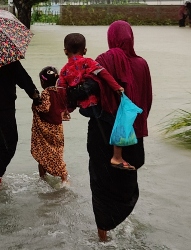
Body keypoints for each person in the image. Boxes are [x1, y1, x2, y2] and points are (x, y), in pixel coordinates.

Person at [90, 20, 153, 242]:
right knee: (125, 184)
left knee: (100, 184)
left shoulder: (102, 61)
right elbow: (146, 99)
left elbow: (90, 100)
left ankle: (102, 237)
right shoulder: (142, 64)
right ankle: (123, 228)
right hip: (133, 134)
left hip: (102, 133)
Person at [58, 33, 132, 171]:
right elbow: (104, 74)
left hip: (84, 109)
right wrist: (117, 87)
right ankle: (117, 156)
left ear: (65, 51)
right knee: (116, 122)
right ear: (85, 50)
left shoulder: (63, 71)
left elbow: (62, 91)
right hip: (97, 106)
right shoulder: (88, 62)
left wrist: (65, 110)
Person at [30, 66, 70, 185]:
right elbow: (64, 108)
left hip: (46, 129)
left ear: (42, 82)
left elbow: (44, 108)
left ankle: (43, 178)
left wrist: (35, 103)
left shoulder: (46, 92)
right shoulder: (60, 92)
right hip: (58, 129)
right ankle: (63, 179)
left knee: (41, 152)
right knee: (57, 153)